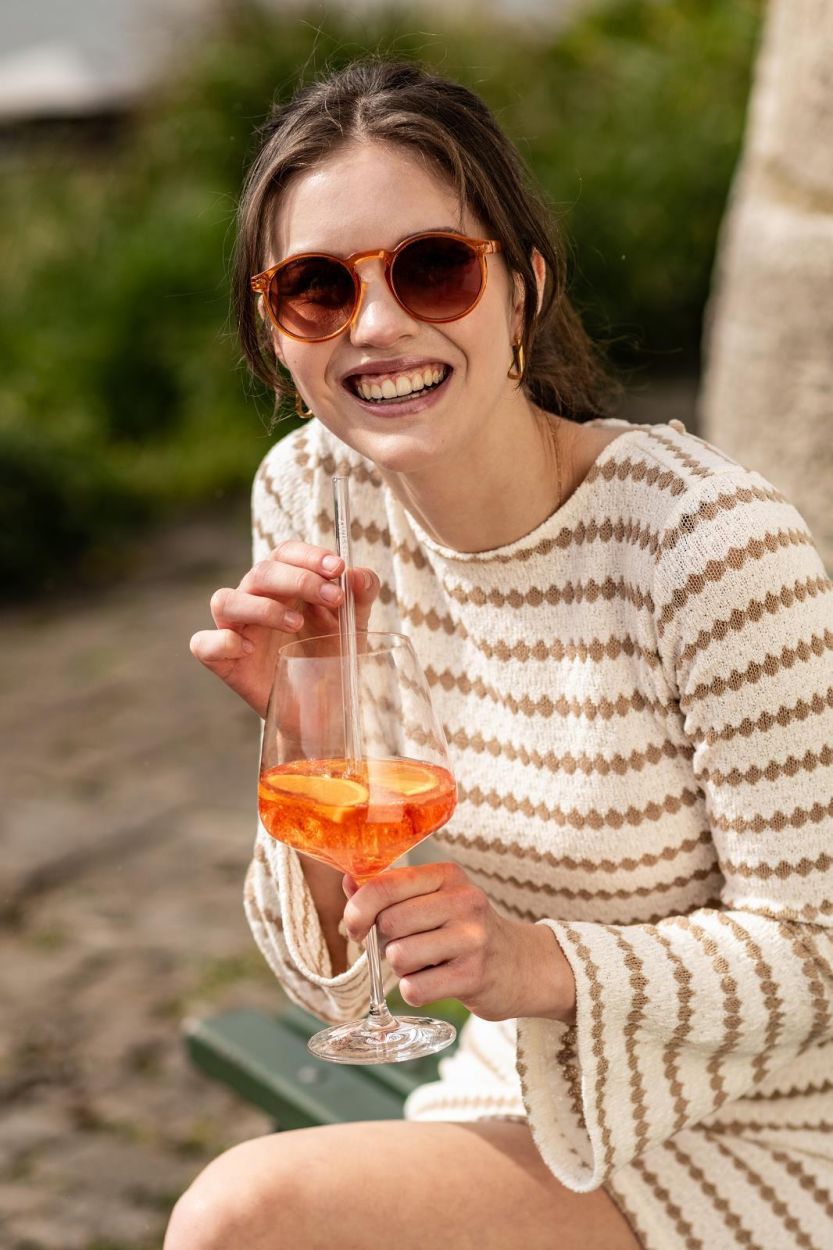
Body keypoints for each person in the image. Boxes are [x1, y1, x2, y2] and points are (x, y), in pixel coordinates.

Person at [167, 59, 833, 1250]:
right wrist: (306, 740)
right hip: (514, 1102)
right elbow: (334, 988)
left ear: (520, 288)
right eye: (318, 287)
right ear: (277, 338)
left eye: (431, 267)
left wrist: (535, 964)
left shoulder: (705, 544)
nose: (377, 325)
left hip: (774, 1129)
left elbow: (815, 958)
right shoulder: (313, 495)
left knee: (241, 1216)